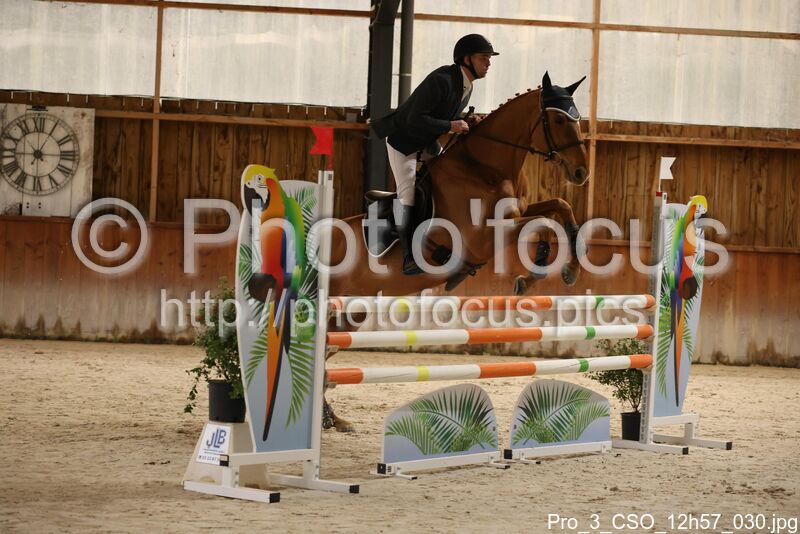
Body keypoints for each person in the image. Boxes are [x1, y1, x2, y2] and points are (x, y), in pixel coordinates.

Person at [371, 34, 499, 274]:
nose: (488, 63)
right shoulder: (441, 80)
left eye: (489, 58)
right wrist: (451, 125)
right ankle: (409, 257)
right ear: (466, 59)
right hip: (404, 142)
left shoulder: (466, 85)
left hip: (427, 143)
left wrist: (463, 119)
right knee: (407, 194)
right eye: (483, 58)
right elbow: (415, 118)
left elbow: (441, 114)